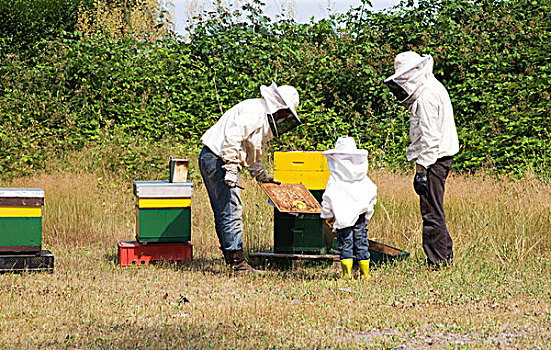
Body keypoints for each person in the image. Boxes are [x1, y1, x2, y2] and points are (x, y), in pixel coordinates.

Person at [199, 82, 301, 274]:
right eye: (286, 113)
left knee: (224, 210)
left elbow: (250, 152)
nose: (285, 118)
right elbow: (233, 137)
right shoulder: (254, 110)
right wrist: (230, 166)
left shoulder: (260, 115)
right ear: (279, 106)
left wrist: (262, 176)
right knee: (231, 210)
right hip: (217, 159)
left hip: (213, 158)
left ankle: (232, 259)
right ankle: (238, 265)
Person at [384, 51, 459, 267]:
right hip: (438, 157)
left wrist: (421, 170)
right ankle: (444, 256)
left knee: (430, 211)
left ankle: (437, 261)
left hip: (433, 159)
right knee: (434, 208)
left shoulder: (426, 96)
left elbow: (430, 138)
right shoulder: (432, 87)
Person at [320, 136, 377, 279]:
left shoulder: (335, 179)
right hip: (361, 216)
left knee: (346, 244)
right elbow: (372, 195)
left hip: (342, 218)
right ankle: (365, 274)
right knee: (361, 243)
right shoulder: (363, 178)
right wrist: (368, 214)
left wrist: (327, 215)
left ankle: (347, 275)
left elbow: (327, 198)